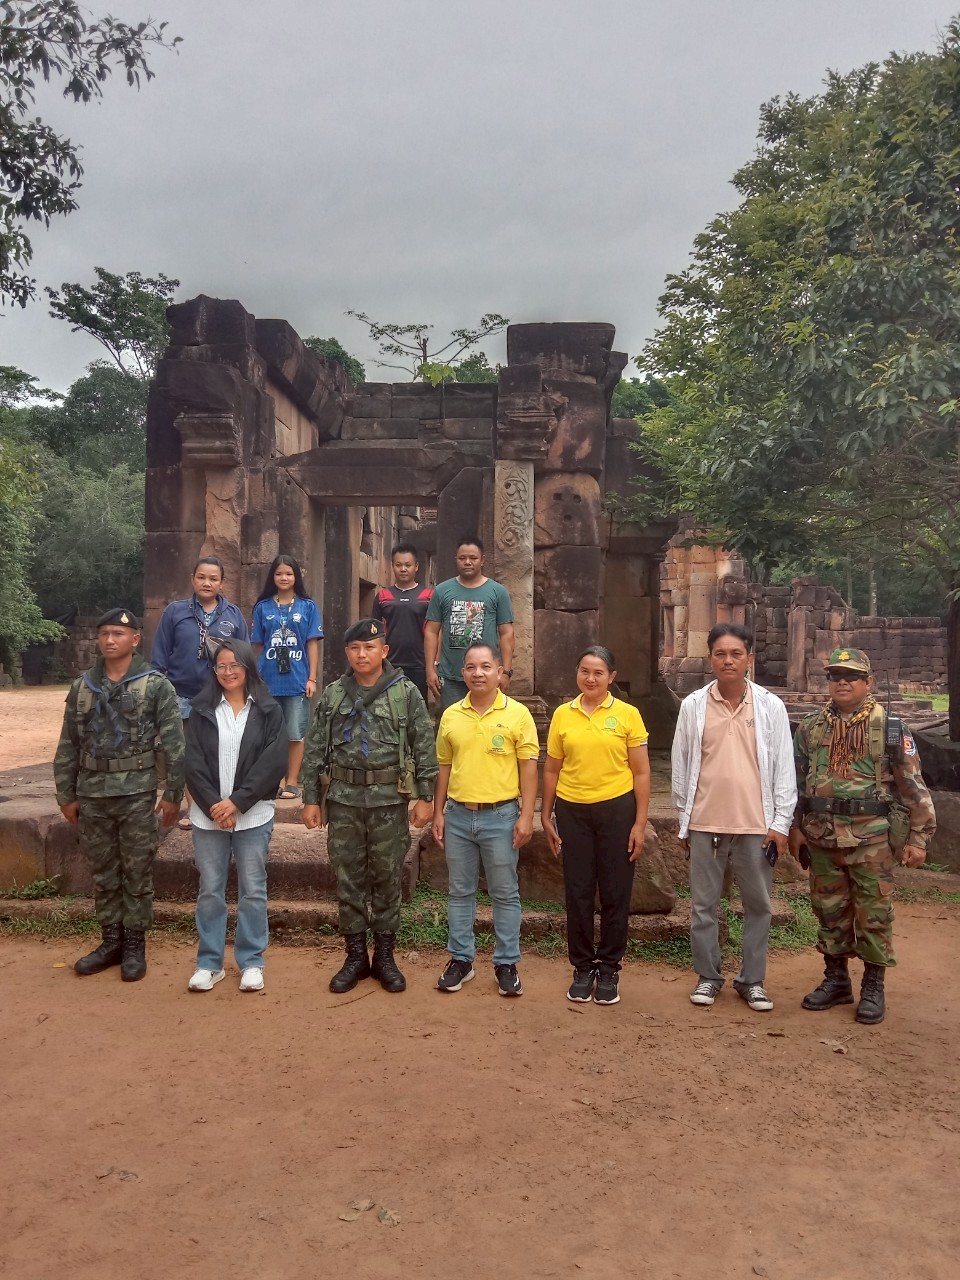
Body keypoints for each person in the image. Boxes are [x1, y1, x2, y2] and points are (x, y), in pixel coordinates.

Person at [790, 647, 936, 1025]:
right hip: (821, 835)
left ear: (867, 682)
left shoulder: (890, 728)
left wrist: (919, 838)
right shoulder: (810, 727)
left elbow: (913, 786)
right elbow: (795, 783)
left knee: (873, 914)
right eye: (835, 675)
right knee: (829, 911)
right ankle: (836, 979)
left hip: (871, 839)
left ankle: (874, 984)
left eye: (851, 676)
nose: (842, 682)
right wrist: (794, 828)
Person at [301, 619, 437, 994]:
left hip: (389, 803)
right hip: (343, 801)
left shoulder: (406, 693)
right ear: (347, 652)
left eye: (370, 647)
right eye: (355, 648)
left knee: (387, 878)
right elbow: (314, 748)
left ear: (384, 651)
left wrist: (425, 796)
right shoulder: (332, 695)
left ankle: (386, 957)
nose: (362, 654)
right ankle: (356, 956)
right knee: (349, 879)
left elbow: (424, 746)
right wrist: (310, 798)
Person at [53, 608, 185, 982]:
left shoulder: (156, 685)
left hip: (137, 792)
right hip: (92, 792)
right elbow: (67, 745)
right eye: (105, 633)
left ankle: (134, 946)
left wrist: (173, 792)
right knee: (104, 871)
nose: (110, 640)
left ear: (135, 639)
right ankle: (110, 941)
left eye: (118, 633)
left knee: (137, 870)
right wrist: (66, 793)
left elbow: (175, 744)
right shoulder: (82, 687)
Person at [671, 623, 796, 1012]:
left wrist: (780, 824)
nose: (728, 660)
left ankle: (752, 980)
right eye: (721, 654)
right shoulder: (693, 705)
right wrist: (685, 819)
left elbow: (783, 768)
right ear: (711, 658)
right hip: (706, 823)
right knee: (703, 907)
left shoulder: (770, 706)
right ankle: (708, 977)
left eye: (736, 654)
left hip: (755, 827)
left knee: (759, 905)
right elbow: (681, 765)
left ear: (749, 659)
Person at [541, 646, 651, 1006]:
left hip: (617, 810)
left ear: (611, 677)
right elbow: (552, 768)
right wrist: (547, 812)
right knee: (578, 891)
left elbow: (641, 772)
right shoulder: (562, 714)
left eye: (598, 673)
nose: (590, 678)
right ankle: (583, 967)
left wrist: (639, 822)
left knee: (616, 892)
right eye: (585, 671)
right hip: (573, 811)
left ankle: (609, 970)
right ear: (577, 673)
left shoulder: (628, 715)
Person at [432, 643, 539, 997]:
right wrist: (438, 813)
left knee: (505, 893)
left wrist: (527, 815)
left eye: (485, 667)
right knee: (459, 891)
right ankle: (460, 960)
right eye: (471, 667)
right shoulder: (451, 715)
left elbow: (528, 767)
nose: (478, 673)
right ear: (462, 673)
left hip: (502, 816)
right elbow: (444, 767)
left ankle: (506, 963)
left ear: (499, 672)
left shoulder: (518, 715)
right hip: (459, 815)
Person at [184, 640, 287, 994]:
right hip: (207, 815)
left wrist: (238, 802)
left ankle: (252, 962)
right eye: (221, 666)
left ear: (248, 667)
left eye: (234, 665)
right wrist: (215, 803)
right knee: (210, 891)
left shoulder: (268, 709)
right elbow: (193, 762)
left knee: (253, 891)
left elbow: (273, 762)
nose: (228, 672)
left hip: (253, 814)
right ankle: (209, 964)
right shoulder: (201, 709)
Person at [151, 556, 249, 829]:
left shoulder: (233, 615)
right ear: (193, 579)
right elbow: (160, 653)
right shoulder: (175, 612)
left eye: (213, 578)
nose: (207, 583)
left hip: (219, 696)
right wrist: (160, 688)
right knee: (184, 754)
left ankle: (220, 807)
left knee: (216, 751)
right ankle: (194, 809)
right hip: (181, 695)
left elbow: (243, 655)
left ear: (222, 582)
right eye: (202, 577)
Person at [251, 554, 323, 799]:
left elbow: (312, 644)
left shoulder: (308, 607)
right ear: (273, 576)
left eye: (289, 573)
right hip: (268, 681)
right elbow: (258, 646)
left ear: (296, 577)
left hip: (297, 681)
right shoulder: (262, 608)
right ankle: (276, 780)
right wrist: (255, 678)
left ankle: (292, 781)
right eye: (279, 573)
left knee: (294, 732)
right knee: (270, 735)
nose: (284, 577)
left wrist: (311, 678)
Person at [424, 536, 515, 710]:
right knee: (453, 724)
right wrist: (430, 670)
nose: (467, 562)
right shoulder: (442, 591)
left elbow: (507, 633)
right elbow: (431, 632)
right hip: (450, 677)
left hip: (487, 675)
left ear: (482, 561)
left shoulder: (498, 592)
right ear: (456, 560)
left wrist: (506, 672)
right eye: (462, 558)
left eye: (473, 558)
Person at [372, 542, 433, 701]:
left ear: (416, 566)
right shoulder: (382, 596)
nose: (403, 569)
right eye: (398, 565)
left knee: (417, 709)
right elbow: (374, 632)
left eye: (408, 565)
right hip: (389, 664)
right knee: (389, 708)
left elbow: (435, 632)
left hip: (419, 664)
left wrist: (433, 665)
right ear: (392, 566)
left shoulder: (428, 596)